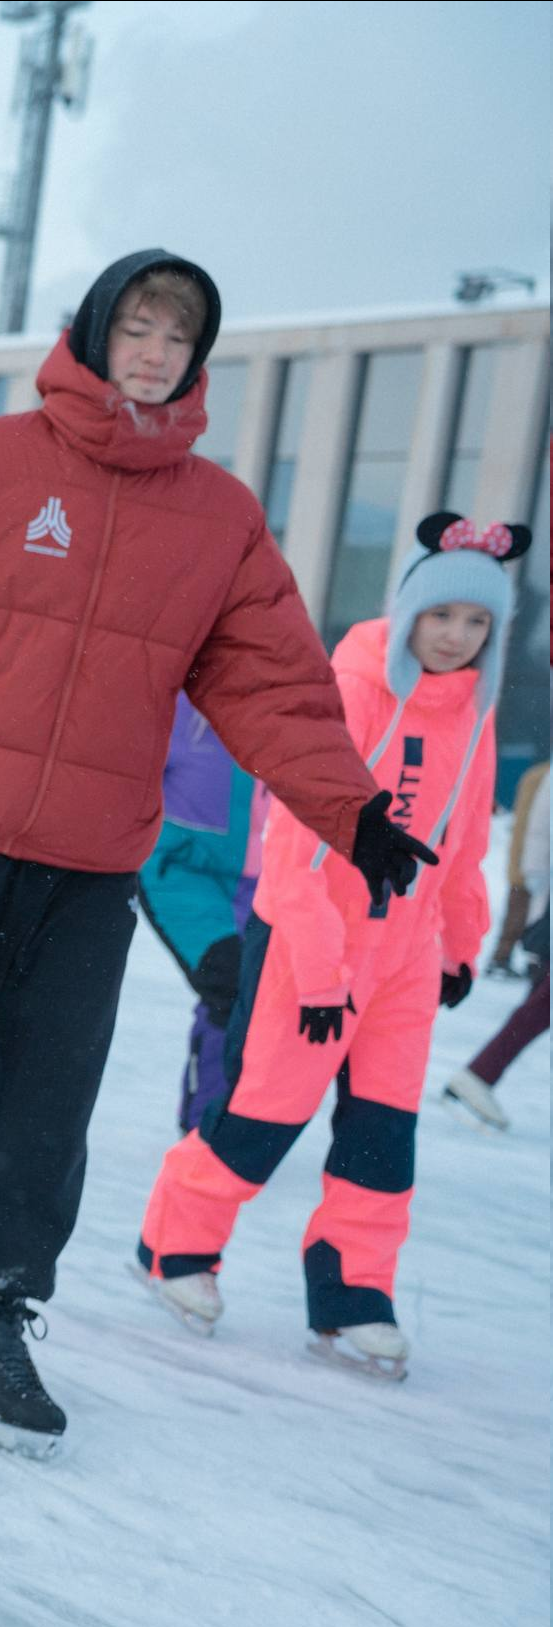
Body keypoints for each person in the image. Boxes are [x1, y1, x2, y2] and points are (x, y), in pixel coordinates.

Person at [0, 251, 422, 1454]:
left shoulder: (218, 517)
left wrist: (350, 811)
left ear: (197, 359)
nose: (153, 352)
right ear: (97, 332)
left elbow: (273, 687)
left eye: (177, 337)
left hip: (91, 869)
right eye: (137, 328)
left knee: (48, 1114)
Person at [135, 515, 518, 1378]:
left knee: (383, 1132)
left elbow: (462, 841)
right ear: (410, 610)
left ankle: (354, 1295)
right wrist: (314, 973)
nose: (456, 637)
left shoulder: (475, 709)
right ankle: (175, 1244)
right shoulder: (352, 687)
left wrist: (460, 943)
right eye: (442, 615)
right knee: (264, 1111)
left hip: (406, 957)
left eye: (477, 622)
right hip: (314, 938)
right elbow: (296, 842)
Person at [136, 697, 262, 1132]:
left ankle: (235, 1120)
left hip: (260, 879)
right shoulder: (178, 699)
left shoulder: (287, 698)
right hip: (179, 872)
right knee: (230, 985)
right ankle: (205, 1128)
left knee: (263, 1001)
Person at [443, 756, 548, 1131]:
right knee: (539, 1007)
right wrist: (532, 889)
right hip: (543, 901)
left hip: (542, 901)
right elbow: (535, 842)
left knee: (538, 1007)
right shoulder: (544, 778)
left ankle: (479, 1075)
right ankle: (477, 1076)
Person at [487, 758, 549, 976]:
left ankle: (510, 958)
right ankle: (505, 959)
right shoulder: (543, 777)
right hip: (532, 860)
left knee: (522, 913)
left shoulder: (536, 775)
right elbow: (534, 826)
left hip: (527, 857)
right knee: (523, 914)